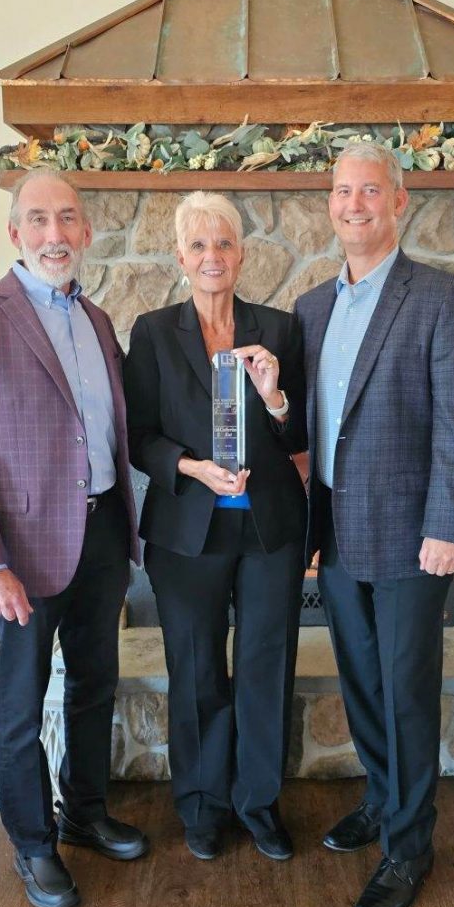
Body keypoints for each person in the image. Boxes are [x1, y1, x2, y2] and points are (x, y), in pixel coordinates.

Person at [0, 171, 148, 907]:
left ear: (86, 232)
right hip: (20, 552)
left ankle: (84, 813)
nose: (54, 233)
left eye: (67, 219)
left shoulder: (98, 321)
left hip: (102, 535)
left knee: (95, 686)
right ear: (15, 234)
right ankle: (33, 843)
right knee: (21, 704)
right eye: (38, 219)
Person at [294, 143, 454, 907]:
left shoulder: (442, 297)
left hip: (415, 538)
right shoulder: (311, 308)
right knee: (364, 684)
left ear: (399, 202)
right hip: (339, 533)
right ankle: (382, 799)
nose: (354, 205)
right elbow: (311, 426)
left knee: (407, 693)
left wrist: (450, 526)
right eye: (343, 191)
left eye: (369, 191)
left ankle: (409, 848)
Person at [124, 191, 307, 862]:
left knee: (266, 665)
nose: (211, 256)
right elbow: (138, 435)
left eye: (223, 243)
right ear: (180, 257)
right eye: (198, 245)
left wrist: (276, 398)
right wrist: (191, 469)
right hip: (187, 530)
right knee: (196, 667)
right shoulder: (151, 331)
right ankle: (201, 806)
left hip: (269, 530)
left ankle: (258, 804)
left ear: (242, 254)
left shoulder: (280, 330)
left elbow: (303, 429)